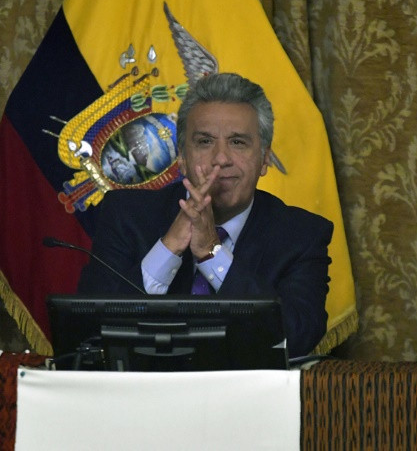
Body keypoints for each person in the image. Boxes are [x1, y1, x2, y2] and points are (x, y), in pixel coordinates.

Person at [78, 72, 332, 357]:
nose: (220, 159)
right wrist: (168, 248)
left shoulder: (301, 236)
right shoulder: (126, 215)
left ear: (264, 159)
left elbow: (296, 338)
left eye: (238, 142)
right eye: (204, 141)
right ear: (182, 158)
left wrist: (213, 253)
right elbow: (87, 331)